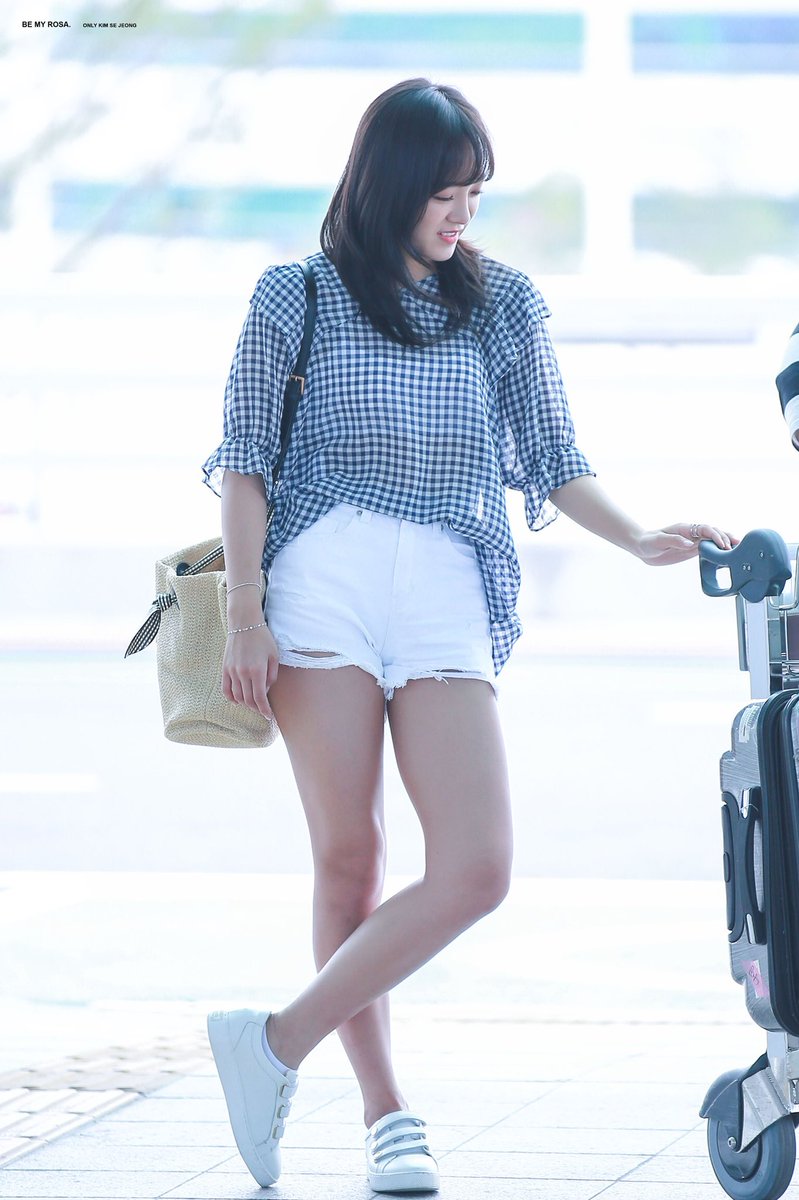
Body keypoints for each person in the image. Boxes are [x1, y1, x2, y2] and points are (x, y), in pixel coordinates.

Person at [201, 78, 735, 1195]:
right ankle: (386, 1115)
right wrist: (245, 616)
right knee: (350, 859)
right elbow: (245, 462)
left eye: (475, 195)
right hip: (321, 584)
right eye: (445, 194)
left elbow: (553, 453)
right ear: (389, 184)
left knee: (477, 868)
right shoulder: (296, 294)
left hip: (446, 586)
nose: (462, 215)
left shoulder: (501, 303)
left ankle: (273, 1044)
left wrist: (639, 535)